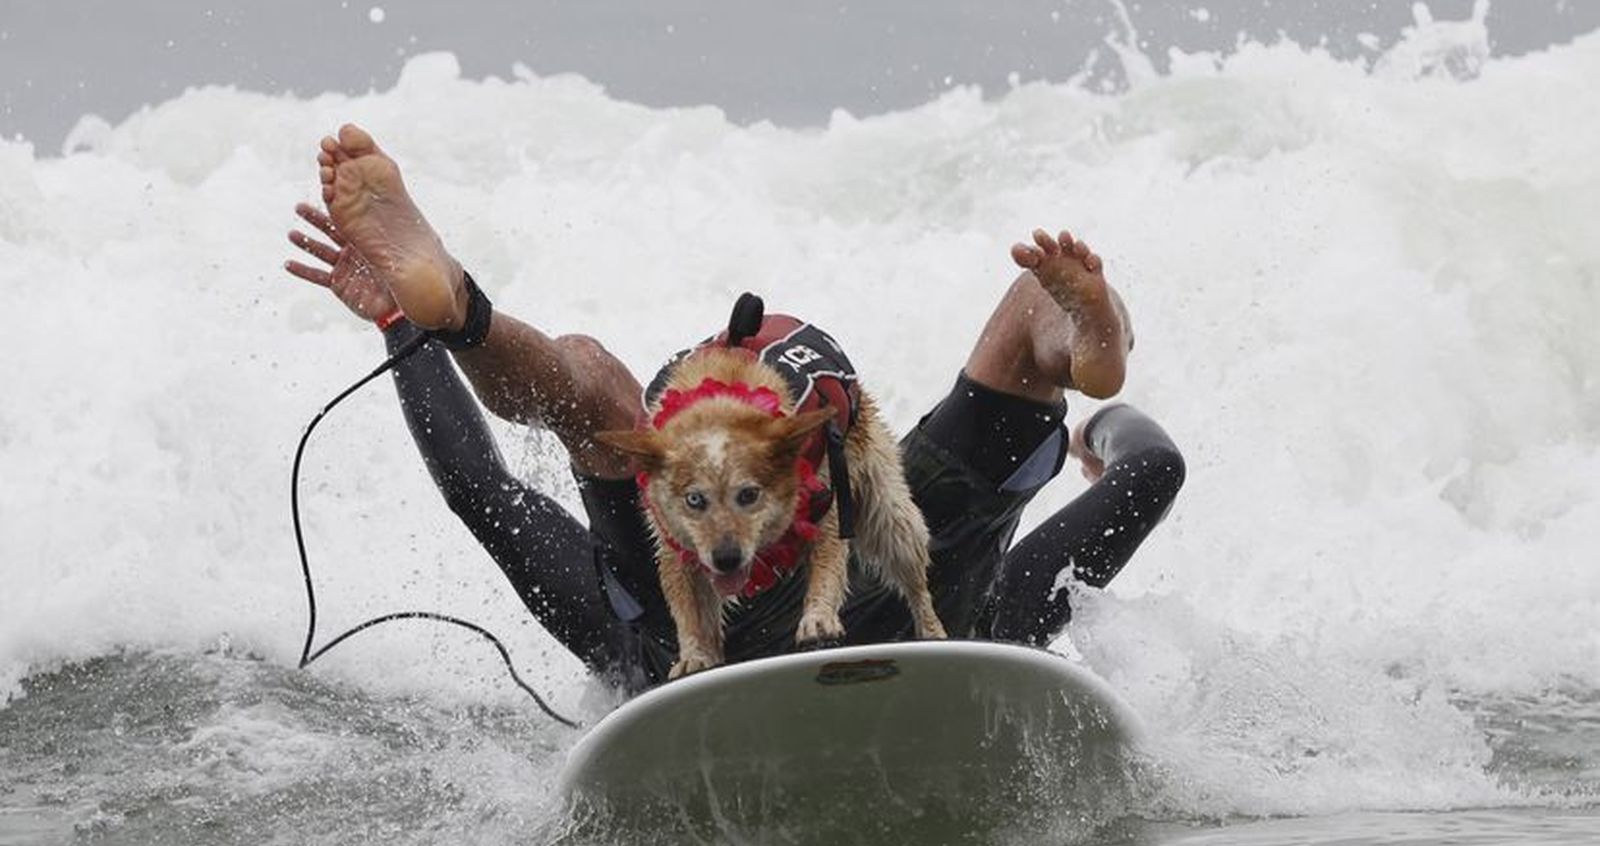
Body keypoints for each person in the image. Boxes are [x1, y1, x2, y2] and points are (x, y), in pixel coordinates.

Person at [285, 124, 1186, 694]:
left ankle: (466, 313)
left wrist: (408, 326)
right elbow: (1155, 469)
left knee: (594, 386)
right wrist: (1094, 433)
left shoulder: (623, 628)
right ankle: (1073, 336)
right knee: (1028, 316)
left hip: (700, 650)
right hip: (932, 597)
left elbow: (479, 487)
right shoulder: (1008, 613)